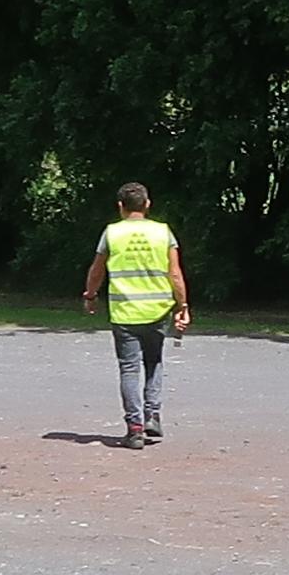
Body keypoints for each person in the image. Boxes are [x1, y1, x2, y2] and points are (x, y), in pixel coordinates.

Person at [82, 182, 191, 446]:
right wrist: (182, 306)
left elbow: (97, 270)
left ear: (120, 206)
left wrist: (90, 295)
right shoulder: (163, 232)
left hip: (125, 313)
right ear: (147, 204)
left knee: (129, 369)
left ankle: (134, 428)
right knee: (154, 362)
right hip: (157, 311)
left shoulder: (112, 233)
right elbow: (175, 273)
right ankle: (152, 415)